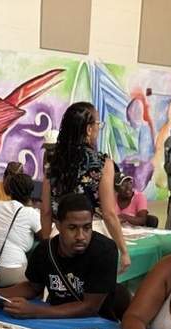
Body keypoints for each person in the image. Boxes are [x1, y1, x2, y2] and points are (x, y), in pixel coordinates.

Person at [0, 193, 118, 320]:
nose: (80, 236)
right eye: (72, 228)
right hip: (54, 318)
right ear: (59, 225)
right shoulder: (44, 250)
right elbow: (33, 287)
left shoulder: (104, 250)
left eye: (87, 228)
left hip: (96, 324)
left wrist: (34, 311)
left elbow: (89, 308)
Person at [42, 101, 130, 273]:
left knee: (58, 291)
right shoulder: (102, 163)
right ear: (89, 129)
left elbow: (45, 211)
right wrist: (124, 250)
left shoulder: (54, 163)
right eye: (98, 124)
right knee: (93, 293)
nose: (98, 128)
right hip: (92, 235)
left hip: (60, 236)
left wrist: (47, 246)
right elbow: (108, 213)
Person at [0, 172, 43, 287]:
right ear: (31, 191)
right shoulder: (31, 213)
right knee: (38, 284)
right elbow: (45, 237)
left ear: (9, 190)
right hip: (11, 271)